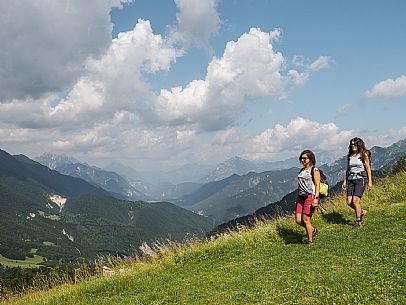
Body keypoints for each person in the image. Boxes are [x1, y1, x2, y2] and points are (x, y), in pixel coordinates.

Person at [342, 137, 373, 228]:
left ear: (359, 145)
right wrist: (345, 180)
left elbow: (368, 168)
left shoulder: (363, 155)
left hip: (360, 179)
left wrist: (370, 181)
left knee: (355, 201)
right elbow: (348, 169)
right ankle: (361, 211)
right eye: (352, 144)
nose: (353, 146)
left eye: (355, 144)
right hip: (351, 179)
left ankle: (358, 222)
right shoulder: (350, 156)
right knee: (349, 202)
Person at [296, 150, 320, 247]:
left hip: (309, 197)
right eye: (301, 158)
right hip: (300, 198)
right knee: (298, 220)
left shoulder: (314, 170)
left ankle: (310, 241)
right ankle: (313, 230)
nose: (303, 160)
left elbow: (317, 185)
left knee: (306, 220)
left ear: (310, 159)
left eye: (305, 158)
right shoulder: (301, 171)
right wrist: (297, 196)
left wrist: (316, 198)